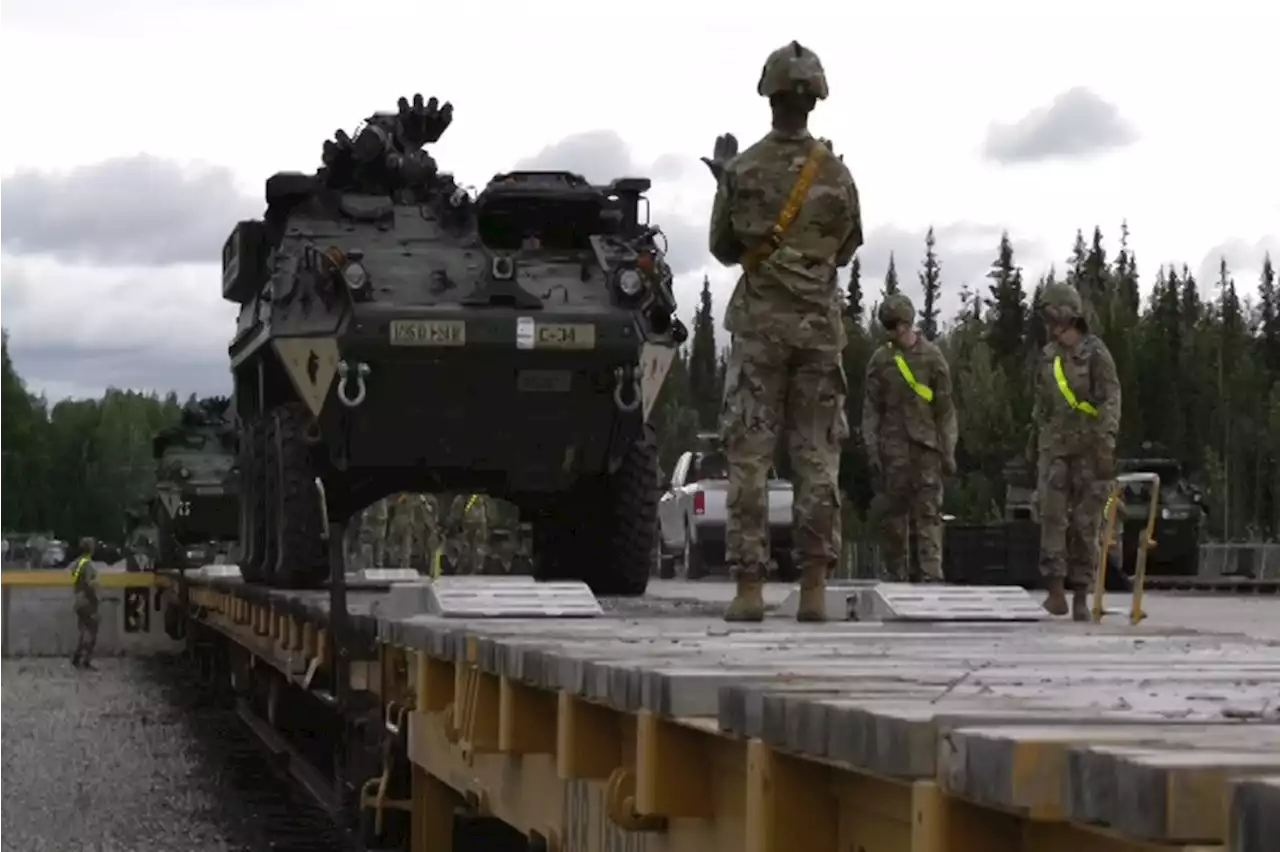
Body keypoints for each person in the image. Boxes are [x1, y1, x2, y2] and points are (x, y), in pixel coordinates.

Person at [705, 40, 862, 622]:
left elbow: (722, 249)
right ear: (814, 99)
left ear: (769, 96)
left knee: (749, 456)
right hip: (819, 332)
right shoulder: (838, 175)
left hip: (759, 332)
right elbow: (845, 249)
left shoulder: (742, 169)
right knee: (817, 458)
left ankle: (749, 589)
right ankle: (814, 588)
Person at [1029, 282, 1121, 620]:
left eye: (1054, 316)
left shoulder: (1096, 354)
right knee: (1051, 517)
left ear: (1070, 315)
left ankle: (1081, 595)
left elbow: (1111, 400)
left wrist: (1106, 443)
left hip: (1090, 449)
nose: (1050, 326)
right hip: (1054, 449)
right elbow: (1041, 405)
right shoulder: (1048, 356)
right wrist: (1034, 445)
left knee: (1085, 523)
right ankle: (1055, 592)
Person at [862, 293, 958, 582]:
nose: (891, 332)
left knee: (929, 514)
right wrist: (872, 449)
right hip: (893, 451)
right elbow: (871, 409)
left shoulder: (932, 357)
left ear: (908, 323)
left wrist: (948, 450)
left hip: (926, 449)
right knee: (895, 519)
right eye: (887, 326)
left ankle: (931, 576)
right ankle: (897, 577)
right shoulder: (881, 360)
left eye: (896, 325)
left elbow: (945, 408)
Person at [70, 537, 100, 669]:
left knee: (83, 629)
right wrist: (94, 599)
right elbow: (88, 584)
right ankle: (86, 660)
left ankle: (77, 657)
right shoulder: (88, 564)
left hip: (78, 599)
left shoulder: (77, 563)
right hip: (87, 600)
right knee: (93, 630)